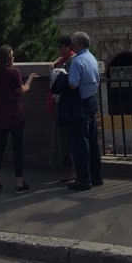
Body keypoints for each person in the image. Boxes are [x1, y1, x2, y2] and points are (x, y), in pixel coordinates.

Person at [0, 45, 38, 194]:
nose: (13, 56)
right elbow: (22, 91)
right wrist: (29, 80)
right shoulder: (13, 72)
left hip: (0, 116)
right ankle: (19, 183)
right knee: (17, 149)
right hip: (15, 115)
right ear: (8, 57)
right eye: (12, 54)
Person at [65, 31, 102, 191]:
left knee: (80, 142)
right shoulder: (91, 58)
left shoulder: (77, 60)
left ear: (80, 44)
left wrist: (62, 78)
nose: (71, 45)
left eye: (73, 43)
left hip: (81, 103)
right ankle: (96, 176)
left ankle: (83, 179)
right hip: (92, 100)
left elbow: (73, 84)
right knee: (92, 141)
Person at [48, 35, 75, 180]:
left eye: (60, 46)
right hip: (62, 103)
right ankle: (68, 169)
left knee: (66, 139)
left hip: (65, 104)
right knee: (63, 139)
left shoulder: (71, 61)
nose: (58, 49)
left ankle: (71, 171)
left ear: (67, 46)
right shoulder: (64, 60)